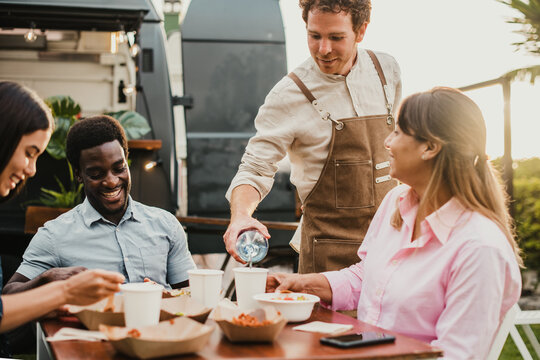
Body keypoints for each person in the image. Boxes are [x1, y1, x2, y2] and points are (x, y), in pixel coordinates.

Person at [266, 87, 523, 359]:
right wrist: (303, 284)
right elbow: (369, 277)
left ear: (430, 147)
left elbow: (456, 355)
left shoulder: (480, 249)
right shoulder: (395, 201)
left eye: (398, 132)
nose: (387, 142)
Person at [223, 0, 402, 273]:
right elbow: (255, 168)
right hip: (329, 257)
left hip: (392, 245)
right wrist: (240, 216)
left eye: (336, 37)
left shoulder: (386, 70)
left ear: (361, 31)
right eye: (314, 36)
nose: (324, 49)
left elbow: (401, 145)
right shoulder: (289, 94)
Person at [3, 115, 196, 296]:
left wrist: (163, 295)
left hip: (159, 330)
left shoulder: (166, 225)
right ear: (79, 174)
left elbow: (191, 294)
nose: (111, 181)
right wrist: (45, 279)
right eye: (96, 174)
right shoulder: (54, 236)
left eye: (119, 168)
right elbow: (9, 295)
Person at [0, 81, 125, 336]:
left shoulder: (164, 224)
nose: (32, 170)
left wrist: (53, 300)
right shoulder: (55, 233)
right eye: (29, 152)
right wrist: (64, 291)